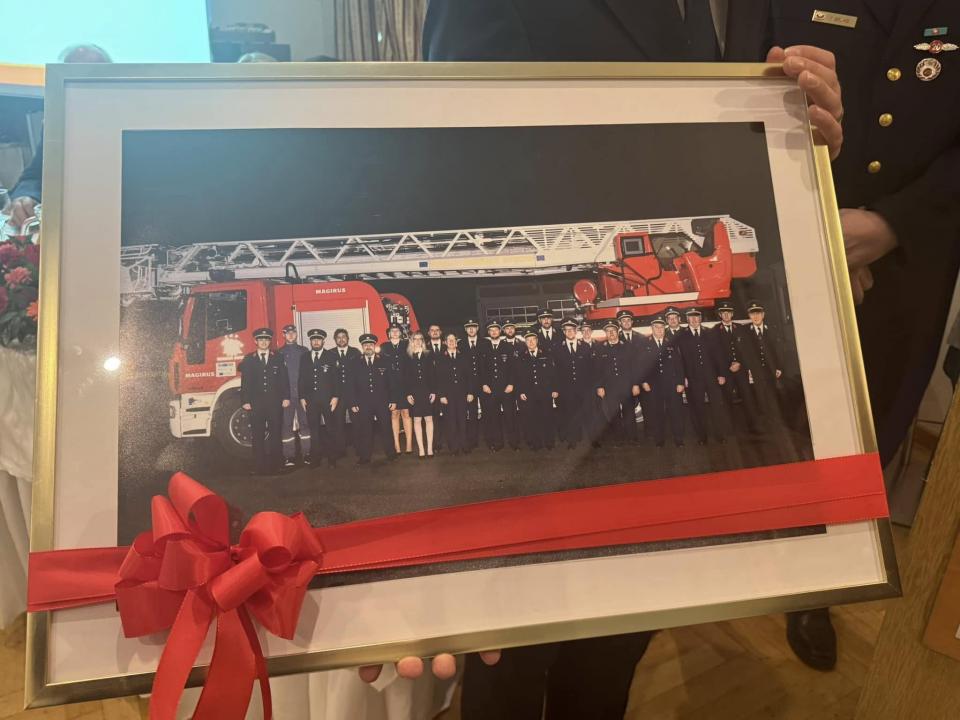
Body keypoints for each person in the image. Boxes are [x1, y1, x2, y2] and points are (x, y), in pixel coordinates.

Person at [377, 1, 846, 708]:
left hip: (673, 425)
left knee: (614, 654)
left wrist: (795, 153)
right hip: (546, 478)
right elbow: (450, 162)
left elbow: (707, 162)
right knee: (511, 662)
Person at [770, 0, 960, 673]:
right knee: (758, 402)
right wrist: (814, 218)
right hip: (783, 227)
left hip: (909, 259)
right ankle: (727, 546)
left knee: (865, 417)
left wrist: (891, 225)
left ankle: (816, 582)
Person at [6, 44, 112, 229]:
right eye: (73, 76)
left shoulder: (133, 123)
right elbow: (35, 176)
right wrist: (25, 197)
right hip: (70, 224)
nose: (83, 84)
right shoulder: (56, 122)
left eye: (93, 74)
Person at [239, 328, 290, 475]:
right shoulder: (249, 359)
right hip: (256, 404)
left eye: (266, 339)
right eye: (260, 340)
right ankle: (258, 466)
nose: (263, 342)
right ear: (255, 341)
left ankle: (278, 465)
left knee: (276, 434)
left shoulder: (278, 357)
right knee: (257, 435)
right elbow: (245, 381)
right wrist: (245, 400)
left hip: (275, 403)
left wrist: (286, 397)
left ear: (270, 341)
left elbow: (284, 379)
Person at [677, 308, 729, 445]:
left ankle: (720, 435)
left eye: (697, 317)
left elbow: (718, 355)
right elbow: (679, 359)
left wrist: (721, 374)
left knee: (717, 407)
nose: (694, 320)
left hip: (712, 376)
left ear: (701, 318)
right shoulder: (681, 335)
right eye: (691, 317)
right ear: (687, 319)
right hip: (693, 378)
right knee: (697, 408)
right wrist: (683, 377)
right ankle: (702, 437)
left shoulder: (710, 333)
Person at [349, 334, 398, 465]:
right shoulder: (355, 362)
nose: (368, 347)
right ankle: (365, 456)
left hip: (382, 401)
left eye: (370, 344)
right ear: (362, 347)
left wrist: (393, 400)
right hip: (363, 402)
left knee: (386, 428)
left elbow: (392, 382)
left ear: (374, 346)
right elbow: (351, 384)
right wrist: (353, 402)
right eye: (365, 345)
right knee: (365, 430)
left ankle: (391, 453)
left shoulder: (384, 360)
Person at [714, 301, 761, 434]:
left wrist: (740, 364)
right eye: (723, 313)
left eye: (728, 312)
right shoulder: (715, 331)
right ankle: (730, 428)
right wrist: (724, 370)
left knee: (748, 398)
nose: (726, 315)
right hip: (725, 371)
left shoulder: (740, 329)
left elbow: (747, 350)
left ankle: (753, 427)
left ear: (732, 314)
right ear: (720, 315)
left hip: (741, 370)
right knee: (727, 399)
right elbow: (715, 354)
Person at [298, 329, 341, 469]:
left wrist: (335, 396)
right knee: (314, 430)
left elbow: (336, 378)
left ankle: (332, 459)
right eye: (313, 339)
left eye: (318, 339)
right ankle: (315, 459)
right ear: (310, 341)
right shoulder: (304, 357)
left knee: (330, 429)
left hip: (328, 399)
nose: (316, 342)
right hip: (310, 400)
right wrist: (302, 397)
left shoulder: (331, 356)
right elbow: (301, 378)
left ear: (323, 341)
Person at [641, 316, 686, 448]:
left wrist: (680, 382)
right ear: (652, 328)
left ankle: (679, 439)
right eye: (656, 327)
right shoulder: (645, 344)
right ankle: (659, 439)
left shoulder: (671, 342)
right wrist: (644, 381)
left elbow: (679, 364)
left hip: (672, 383)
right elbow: (641, 366)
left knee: (676, 412)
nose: (659, 330)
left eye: (661, 327)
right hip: (654, 385)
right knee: (657, 413)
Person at [594, 321, 640, 446]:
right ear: (605, 333)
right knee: (614, 414)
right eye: (608, 331)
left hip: (626, 386)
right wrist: (599, 386)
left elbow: (634, 367)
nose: (611, 333)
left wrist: (635, 384)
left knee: (629, 412)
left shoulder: (628, 346)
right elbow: (598, 370)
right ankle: (619, 438)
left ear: (617, 331)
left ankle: (632, 437)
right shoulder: (600, 348)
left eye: (613, 330)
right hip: (610, 387)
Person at [479, 321, 520, 451]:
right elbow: (481, 369)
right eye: (491, 330)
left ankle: (514, 443)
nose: (494, 332)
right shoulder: (484, 348)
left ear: (500, 331)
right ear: (488, 333)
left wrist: (511, 384)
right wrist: (484, 384)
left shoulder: (507, 346)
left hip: (506, 388)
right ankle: (498, 443)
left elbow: (513, 368)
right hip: (491, 389)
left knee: (510, 416)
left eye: (496, 330)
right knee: (494, 418)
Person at [741, 301, 784, 423]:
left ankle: (776, 419)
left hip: (771, 369)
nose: (755, 317)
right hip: (755, 370)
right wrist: (748, 369)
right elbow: (744, 353)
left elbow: (779, 350)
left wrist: (779, 367)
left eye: (758, 313)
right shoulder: (745, 332)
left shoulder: (772, 329)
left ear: (763, 315)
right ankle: (765, 420)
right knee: (760, 396)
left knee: (773, 394)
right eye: (752, 314)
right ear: (749, 316)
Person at [555, 319, 595, 448]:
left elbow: (590, 369)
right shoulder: (558, 348)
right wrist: (558, 389)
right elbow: (556, 371)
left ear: (576, 331)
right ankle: (572, 440)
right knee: (570, 414)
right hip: (567, 389)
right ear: (563, 332)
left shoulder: (585, 346)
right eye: (566, 330)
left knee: (588, 413)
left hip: (584, 388)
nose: (569, 332)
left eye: (572, 329)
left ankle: (593, 439)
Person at [516, 331, 559, 449]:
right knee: (532, 419)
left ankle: (549, 442)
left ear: (537, 340)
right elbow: (517, 376)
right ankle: (536, 443)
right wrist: (520, 391)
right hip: (529, 393)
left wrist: (555, 389)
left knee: (547, 417)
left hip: (545, 392)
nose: (530, 342)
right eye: (528, 340)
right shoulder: (521, 356)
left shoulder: (546, 354)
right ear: (525, 342)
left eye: (533, 339)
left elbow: (553, 373)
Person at [324, 328, 361, 460]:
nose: (341, 339)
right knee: (338, 423)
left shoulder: (355, 352)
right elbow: (327, 376)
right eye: (338, 337)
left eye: (343, 336)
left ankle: (359, 447)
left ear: (348, 338)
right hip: (337, 395)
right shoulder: (329, 354)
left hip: (353, 394)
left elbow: (360, 373)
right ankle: (340, 449)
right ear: (335, 339)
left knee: (357, 421)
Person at [278, 324, 311, 467]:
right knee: (286, 425)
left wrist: (307, 394)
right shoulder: (279, 353)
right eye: (288, 333)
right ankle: (289, 456)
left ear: (297, 334)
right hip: (288, 397)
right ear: (283, 335)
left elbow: (309, 374)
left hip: (303, 396)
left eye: (293, 332)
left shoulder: (304, 351)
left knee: (305, 424)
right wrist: (282, 397)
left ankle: (307, 454)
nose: (291, 335)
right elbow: (278, 378)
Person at [437, 332, 475, 454]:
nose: (451, 342)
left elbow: (470, 376)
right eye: (449, 340)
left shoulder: (463, 356)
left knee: (463, 420)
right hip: (448, 395)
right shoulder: (440, 358)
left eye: (453, 340)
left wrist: (470, 392)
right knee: (450, 421)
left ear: (456, 342)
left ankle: (464, 445)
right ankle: (453, 447)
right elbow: (438, 379)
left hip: (462, 394)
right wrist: (441, 395)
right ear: (445, 342)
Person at [403, 332, 438, 459]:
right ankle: (421, 450)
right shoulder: (407, 356)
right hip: (414, 392)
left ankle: (429, 449)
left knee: (429, 419)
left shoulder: (428, 355)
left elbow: (433, 374)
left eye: (420, 339)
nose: (417, 341)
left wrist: (433, 391)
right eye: (415, 339)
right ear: (411, 341)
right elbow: (405, 377)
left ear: (423, 341)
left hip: (427, 391)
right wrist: (408, 393)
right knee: (417, 420)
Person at [380, 326, 413, 455]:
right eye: (392, 331)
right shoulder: (384, 347)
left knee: (406, 413)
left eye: (397, 331)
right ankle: (397, 445)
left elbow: (411, 364)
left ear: (400, 333)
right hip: (390, 386)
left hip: (405, 385)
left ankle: (409, 444)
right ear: (388, 334)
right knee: (394, 414)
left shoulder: (407, 345)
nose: (394, 333)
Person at [458, 319, 483, 452]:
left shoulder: (484, 342)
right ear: (465, 329)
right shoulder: (460, 344)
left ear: (477, 328)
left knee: (489, 412)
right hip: (468, 385)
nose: (471, 329)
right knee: (471, 413)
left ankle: (491, 439)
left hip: (484, 384)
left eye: (473, 327)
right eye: (469, 327)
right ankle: (472, 441)